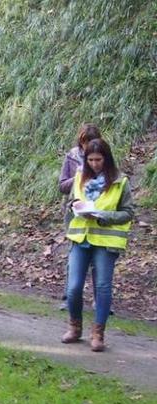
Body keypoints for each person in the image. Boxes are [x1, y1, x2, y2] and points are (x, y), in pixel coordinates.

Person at [62, 138, 132, 352]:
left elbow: (128, 213)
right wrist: (73, 205)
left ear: (106, 158)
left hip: (105, 241)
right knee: (73, 289)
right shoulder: (79, 177)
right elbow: (71, 202)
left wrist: (104, 216)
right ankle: (75, 327)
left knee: (102, 287)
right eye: (91, 159)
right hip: (80, 238)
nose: (94, 164)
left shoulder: (120, 181)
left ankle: (97, 333)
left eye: (98, 159)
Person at [57, 124, 102, 310]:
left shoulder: (104, 157)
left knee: (99, 255)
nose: (86, 147)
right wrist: (78, 177)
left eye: (90, 143)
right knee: (75, 252)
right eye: (84, 143)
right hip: (74, 211)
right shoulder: (72, 156)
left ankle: (100, 300)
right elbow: (62, 185)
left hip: (98, 211)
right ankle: (70, 296)